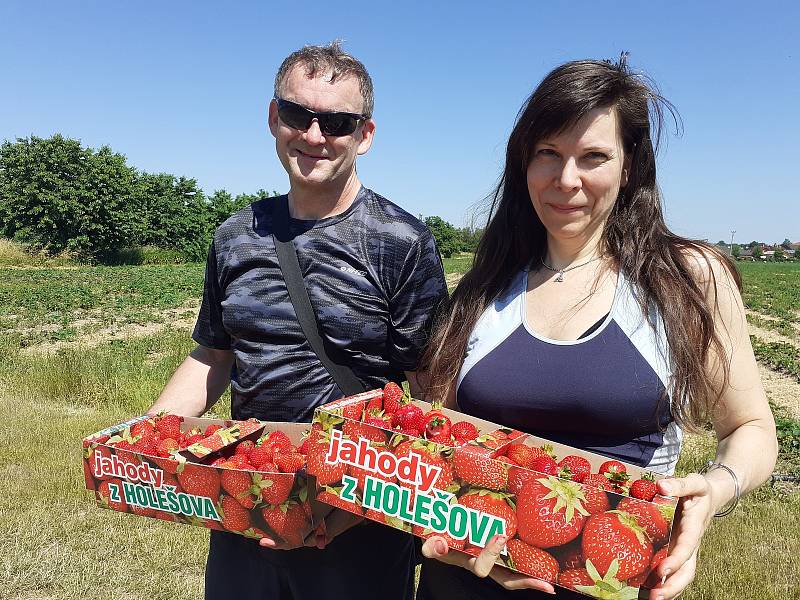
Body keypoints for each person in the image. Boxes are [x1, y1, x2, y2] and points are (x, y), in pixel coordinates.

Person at [415, 56, 777, 600]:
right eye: (548, 154)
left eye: (594, 157)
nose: (566, 180)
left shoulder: (685, 280)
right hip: (467, 580)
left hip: (614, 581)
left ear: (629, 166)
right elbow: (439, 442)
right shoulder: (484, 288)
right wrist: (437, 521)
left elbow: (751, 427)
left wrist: (715, 487)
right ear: (523, 163)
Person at [148, 42, 447, 600]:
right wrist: (147, 438)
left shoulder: (403, 243)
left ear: (365, 135)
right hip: (244, 497)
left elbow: (430, 397)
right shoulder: (235, 237)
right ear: (272, 118)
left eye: (336, 121)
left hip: (357, 514)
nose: (314, 135)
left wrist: (356, 509)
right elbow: (214, 355)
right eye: (297, 114)